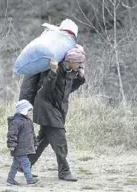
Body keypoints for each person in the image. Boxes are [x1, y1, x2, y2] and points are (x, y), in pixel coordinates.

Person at [19, 47, 86, 182]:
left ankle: (25, 164)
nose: (81, 65)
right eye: (79, 63)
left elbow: (67, 90)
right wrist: (53, 71)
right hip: (46, 108)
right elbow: (46, 90)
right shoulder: (55, 69)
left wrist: (80, 78)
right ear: (70, 61)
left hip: (57, 110)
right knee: (60, 141)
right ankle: (64, 171)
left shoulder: (70, 72)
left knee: (44, 139)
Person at [6, 100, 39, 186]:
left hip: (25, 147)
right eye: (29, 111)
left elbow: (32, 134)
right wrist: (11, 145)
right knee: (26, 163)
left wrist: (35, 143)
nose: (30, 113)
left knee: (15, 165)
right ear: (23, 110)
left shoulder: (28, 121)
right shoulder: (16, 121)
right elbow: (12, 134)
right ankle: (30, 180)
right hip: (19, 148)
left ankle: (10, 180)